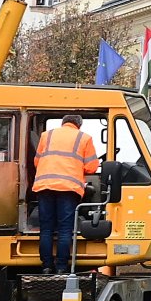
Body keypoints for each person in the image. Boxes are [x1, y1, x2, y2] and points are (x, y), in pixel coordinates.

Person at [33, 113, 100, 274]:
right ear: (79, 125)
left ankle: (47, 266)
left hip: (44, 185)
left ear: (63, 123)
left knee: (46, 228)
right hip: (69, 189)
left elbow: (37, 161)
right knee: (65, 229)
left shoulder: (46, 135)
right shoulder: (84, 138)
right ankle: (62, 267)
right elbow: (92, 167)